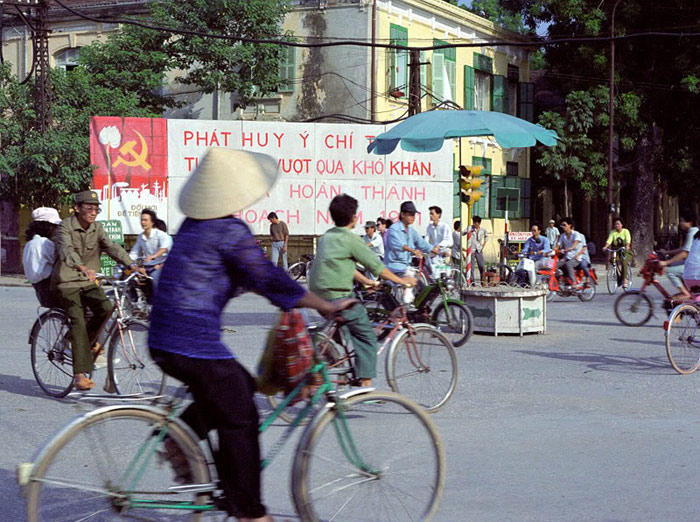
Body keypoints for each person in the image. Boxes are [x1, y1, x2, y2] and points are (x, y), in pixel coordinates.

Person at [148, 148, 352, 522]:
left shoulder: (192, 226)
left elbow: (230, 276)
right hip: (192, 341)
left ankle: (178, 440)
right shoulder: (229, 230)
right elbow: (266, 276)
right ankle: (251, 512)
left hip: (163, 339)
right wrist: (321, 304)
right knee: (241, 415)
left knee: (237, 386)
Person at [309, 194, 416, 387]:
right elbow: (377, 267)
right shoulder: (351, 239)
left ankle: (331, 355)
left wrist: (368, 281)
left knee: (349, 329)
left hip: (318, 297)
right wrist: (402, 281)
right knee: (366, 334)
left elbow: (345, 266)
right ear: (353, 218)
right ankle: (364, 386)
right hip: (337, 297)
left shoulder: (327, 236)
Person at [52, 190, 140, 391]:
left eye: (96, 209)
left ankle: (78, 342)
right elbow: (66, 250)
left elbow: (112, 247)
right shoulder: (65, 226)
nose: (93, 212)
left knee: (106, 310)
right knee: (78, 321)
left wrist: (132, 265)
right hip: (67, 281)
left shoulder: (97, 228)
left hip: (89, 280)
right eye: (89, 208)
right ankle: (79, 375)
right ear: (77, 208)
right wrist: (82, 267)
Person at [384, 201, 439, 275]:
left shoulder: (412, 231)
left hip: (407, 267)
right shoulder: (393, 229)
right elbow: (399, 245)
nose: (413, 217)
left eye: (414, 215)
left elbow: (422, 243)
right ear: (402, 214)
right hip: (394, 268)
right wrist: (413, 251)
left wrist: (437, 252)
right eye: (410, 215)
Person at [23, 207, 62, 307]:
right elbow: (60, 261)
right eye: (55, 227)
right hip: (49, 288)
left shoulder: (30, 243)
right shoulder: (44, 243)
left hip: (39, 289)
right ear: (48, 227)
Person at [659, 210, 699, 300]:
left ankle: (686, 293)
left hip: (694, 268)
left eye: (682, 221)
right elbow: (684, 249)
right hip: (692, 265)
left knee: (669, 271)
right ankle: (686, 290)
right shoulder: (693, 232)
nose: (680, 223)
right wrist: (667, 253)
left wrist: (665, 262)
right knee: (673, 265)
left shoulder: (693, 232)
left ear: (690, 222)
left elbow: (685, 253)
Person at [130, 208, 173, 287]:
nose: (143, 222)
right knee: (130, 278)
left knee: (155, 280)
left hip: (159, 266)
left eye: (146, 220)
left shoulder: (161, 235)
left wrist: (153, 256)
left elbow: (164, 248)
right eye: (142, 220)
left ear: (152, 222)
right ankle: (133, 298)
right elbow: (134, 253)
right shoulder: (141, 237)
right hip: (147, 266)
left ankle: (159, 299)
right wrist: (129, 263)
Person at [602, 217, 632, 289]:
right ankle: (619, 278)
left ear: (622, 225)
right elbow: (609, 241)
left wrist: (627, 246)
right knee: (612, 261)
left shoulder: (626, 231)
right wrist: (605, 246)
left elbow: (628, 240)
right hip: (617, 251)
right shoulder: (613, 232)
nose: (616, 225)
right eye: (615, 224)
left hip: (625, 251)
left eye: (618, 224)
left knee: (624, 262)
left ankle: (625, 280)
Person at [556, 217, 586, 287]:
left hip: (576, 257)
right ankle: (562, 280)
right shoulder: (562, 236)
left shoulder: (576, 234)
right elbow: (558, 245)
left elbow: (576, 242)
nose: (563, 227)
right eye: (562, 225)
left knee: (568, 264)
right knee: (555, 265)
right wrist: (555, 249)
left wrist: (571, 247)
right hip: (567, 256)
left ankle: (573, 282)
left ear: (570, 225)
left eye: (564, 225)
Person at [469, 215, 489, 283]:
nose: (474, 224)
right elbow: (463, 233)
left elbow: (487, 236)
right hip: (472, 250)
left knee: (481, 265)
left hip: (479, 249)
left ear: (479, 223)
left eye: (476, 223)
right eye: (474, 222)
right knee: (471, 267)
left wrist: (484, 244)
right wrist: (469, 232)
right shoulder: (470, 228)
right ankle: (472, 281)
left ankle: (483, 281)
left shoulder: (483, 230)